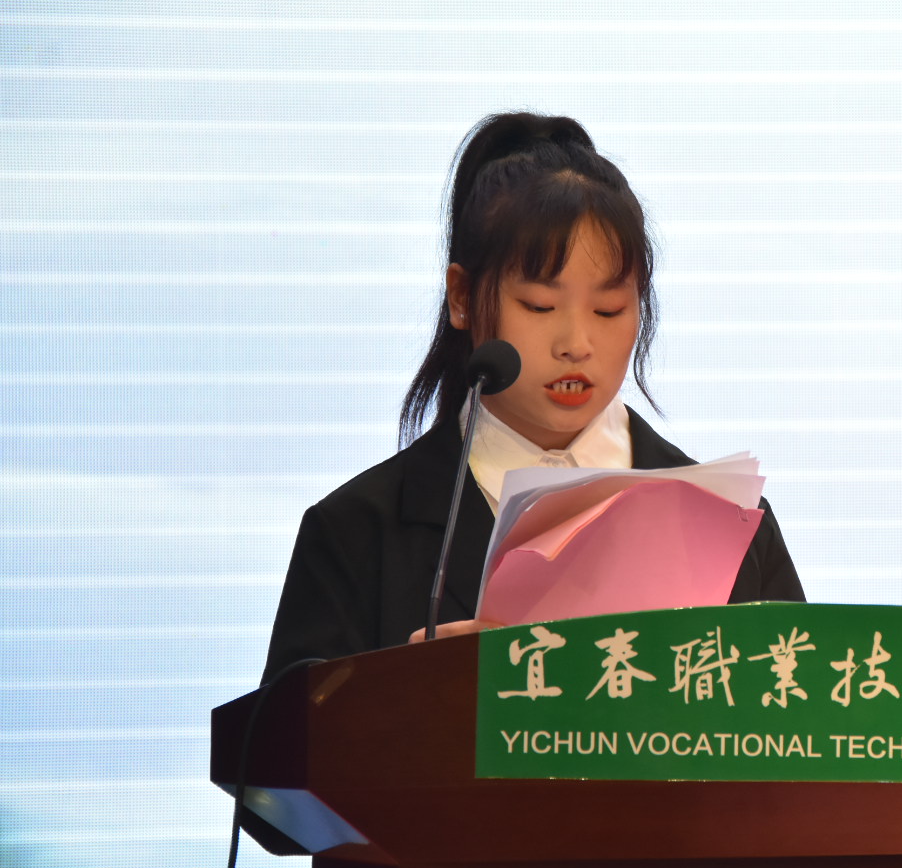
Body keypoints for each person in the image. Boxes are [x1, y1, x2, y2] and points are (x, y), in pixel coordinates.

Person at [261, 113, 804, 683]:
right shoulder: (355, 533)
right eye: (540, 306)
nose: (576, 344)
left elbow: (803, 719)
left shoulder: (729, 524)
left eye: (609, 310)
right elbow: (281, 737)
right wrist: (419, 691)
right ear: (462, 297)